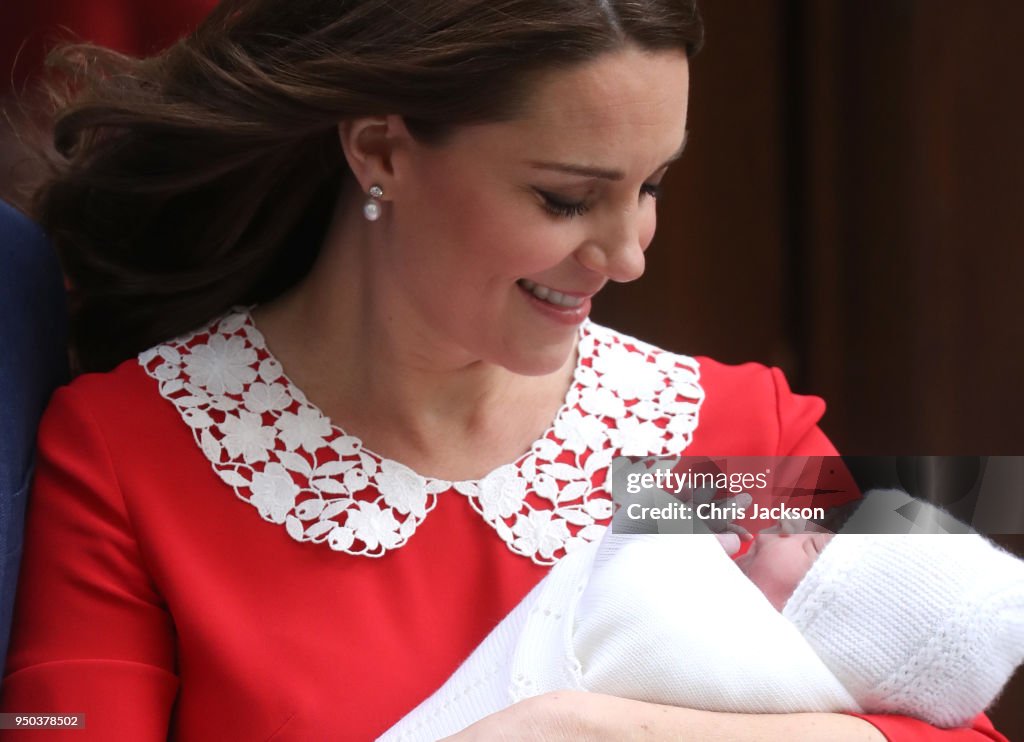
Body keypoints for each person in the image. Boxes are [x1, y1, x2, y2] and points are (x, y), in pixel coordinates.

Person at [0, 1, 1010, 739]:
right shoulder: (133, 449)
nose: (628, 255)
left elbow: (953, 712)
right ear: (379, 151)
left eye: (651, 185)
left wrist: (595, 729)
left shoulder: (724, 431)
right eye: (567, 199)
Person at [382, 520, 1024, 740]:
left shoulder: (746, 662)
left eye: (816, 546)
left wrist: (675, 530)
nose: (790, 523)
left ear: (815, 619)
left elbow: (629, 601)